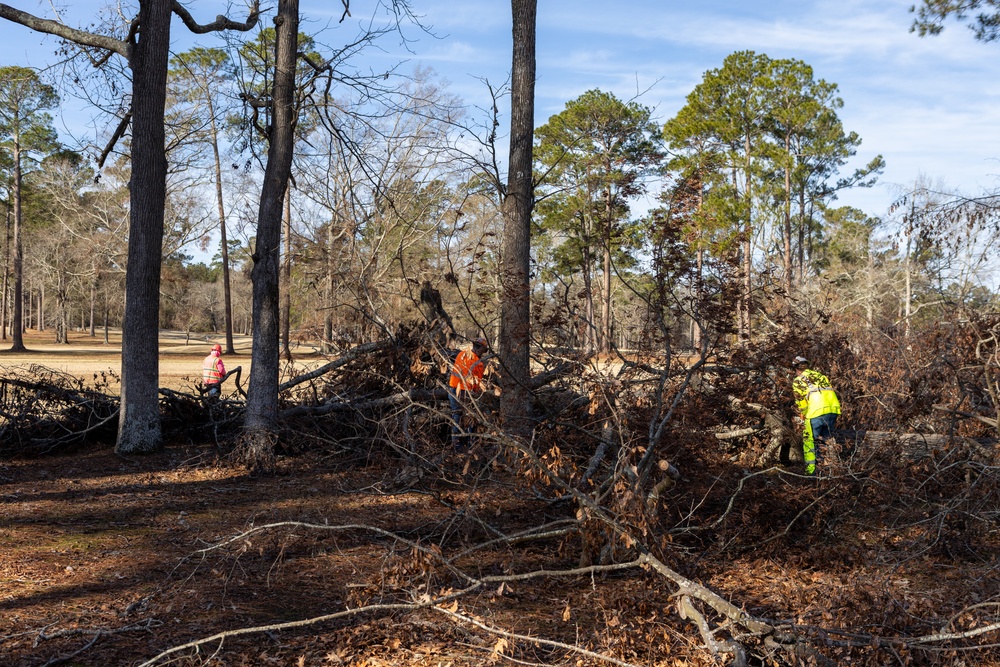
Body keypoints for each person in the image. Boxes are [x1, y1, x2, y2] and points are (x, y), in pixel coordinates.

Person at [791, 356, 841, 475]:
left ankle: (811, 471)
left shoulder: (798, 380)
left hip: (815, 412)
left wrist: (803, 414)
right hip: (833, 410)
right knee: (825, 441)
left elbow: (801, 402)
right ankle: (828, 470)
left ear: (796, 369)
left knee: (809, 441)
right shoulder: (821, 376)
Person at [448, 337, 488, 451]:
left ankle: (460, 443)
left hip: (454, 389)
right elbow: (476, 384)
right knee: (466, 417)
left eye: (479, 346)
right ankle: (464, 444)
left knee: (458, 416)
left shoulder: (462, 354)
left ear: (483, 350)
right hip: (462, 392)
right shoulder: (478, 363)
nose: (476, 348)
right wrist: (476, 393)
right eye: (476, 345)